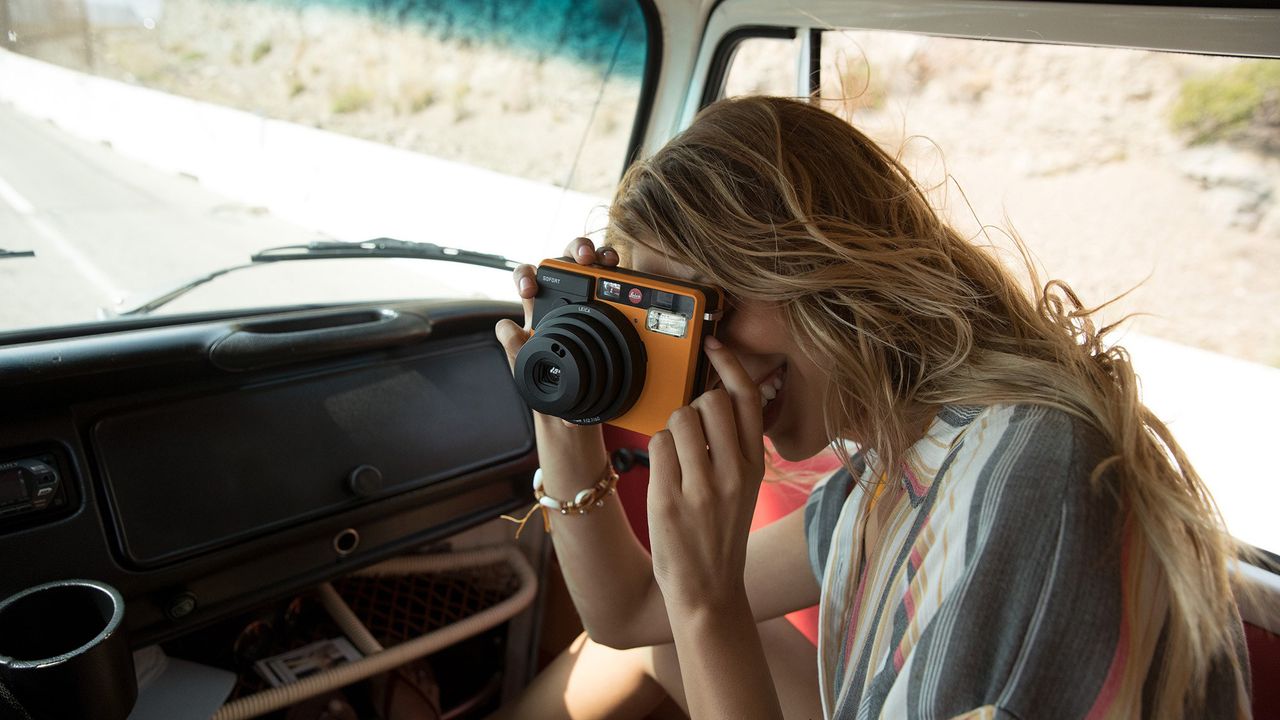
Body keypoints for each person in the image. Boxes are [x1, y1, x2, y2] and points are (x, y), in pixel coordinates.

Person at [490, 96, 1251, 720]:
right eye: (672, 320)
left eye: (712, 305)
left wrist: (708, 601)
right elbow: (628, 617)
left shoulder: (1027, 472)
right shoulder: (905, 467)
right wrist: (565, 413)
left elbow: (679, 612)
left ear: (828, 264)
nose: (699, 357)